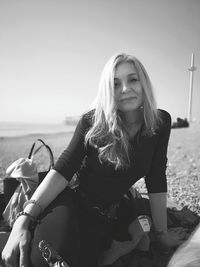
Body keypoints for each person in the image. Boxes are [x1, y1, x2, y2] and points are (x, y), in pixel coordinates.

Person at [2, 52, 184, 267]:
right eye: (115, 84)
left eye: (133, 79)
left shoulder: (160, 122)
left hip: (104, 213)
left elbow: (156, 176)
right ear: (107, 90)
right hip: (68, 197)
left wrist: (162, 235)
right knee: (48, 260)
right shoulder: (93, 122)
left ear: (144, 82)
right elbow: (64, 169)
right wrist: (23, 220)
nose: (125, 89)